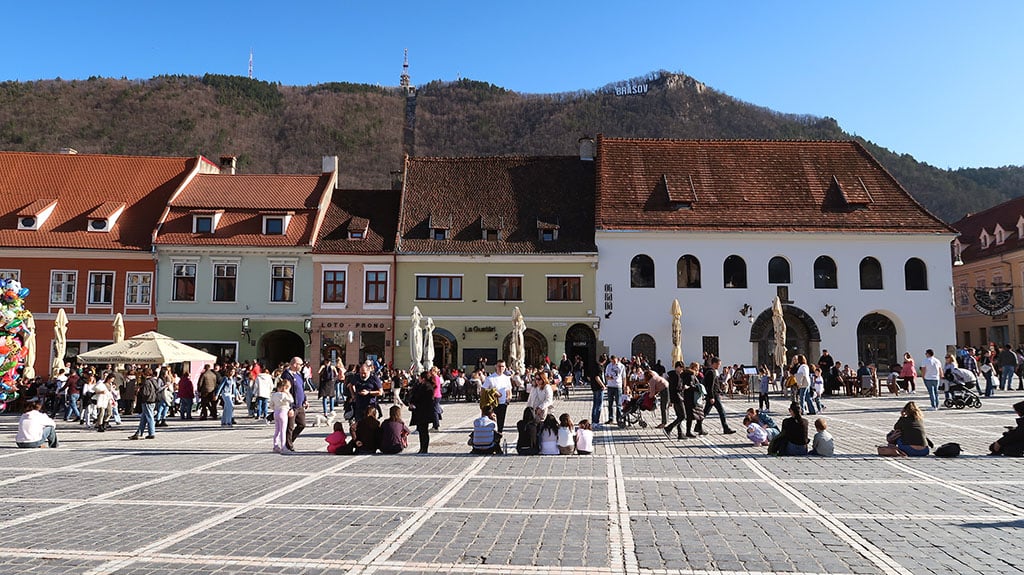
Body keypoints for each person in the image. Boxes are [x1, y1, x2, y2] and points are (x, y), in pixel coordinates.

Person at [702, 357, 736, 434]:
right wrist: (711, 396)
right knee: (722, 412)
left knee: (705, 412)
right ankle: (726, 428)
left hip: (714, 394)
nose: (719, 366)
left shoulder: (712, 371)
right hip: (713, 395)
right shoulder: (711, 372)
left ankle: (698, 426)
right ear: (713, 363)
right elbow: (710, 386)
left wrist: (720, 391)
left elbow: (715, 384)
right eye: (718, 364)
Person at [282, 357, 309, 452]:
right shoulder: (287, 375)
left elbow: (301, 388)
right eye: (300, 364)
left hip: (300, 405)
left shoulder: (299, 374)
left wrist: (305, 399)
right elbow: (286, 391)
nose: (302, 366)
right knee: (290, 427)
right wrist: (290, 407)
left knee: (302, 424)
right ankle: (288, 445)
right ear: (294, 364)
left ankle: (289, 441)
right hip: (292, 405)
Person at [482, 360, 513, 433]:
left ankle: (499, 438)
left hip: (503, 403)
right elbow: (483, 390)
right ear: (496, 366)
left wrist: (508, 399)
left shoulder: (506, 378)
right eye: (499, 366)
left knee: (501, 423)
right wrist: (493, 392)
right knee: (492, 423)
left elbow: (509, 391)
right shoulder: (490, 378)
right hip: (492, 404)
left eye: (502, 366)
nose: (501, 368)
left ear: (505, 367)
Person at [409, 371, 435, 454]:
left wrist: (415, 403)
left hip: (424, 412)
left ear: (423, 378)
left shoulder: (427, 387)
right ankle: (422, 448)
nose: (418, 379)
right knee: (421, 431)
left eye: (420, 377)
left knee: (424, 431)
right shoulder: (421, 385)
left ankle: (424, 448)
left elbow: (423, 399)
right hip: (420, 411)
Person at [129, 368, 159, 440]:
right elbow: (157, 389)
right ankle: (139, 433)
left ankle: (151, 433)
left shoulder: (146, 382)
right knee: (144, 418)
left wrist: (139, 391)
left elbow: (146, 393)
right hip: (153, 400)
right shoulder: (154, 381)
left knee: (149, 417)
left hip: (147, 401)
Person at [269, 379, 294, 454]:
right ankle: (283, 447)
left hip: (276, 412)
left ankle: (275, 446)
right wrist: (288, 392)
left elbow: (271, 405)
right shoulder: (284, 395)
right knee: (283, 431)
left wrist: (275, 408)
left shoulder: (274, 395)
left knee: (277, 430)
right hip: (283, 411)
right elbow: (291, 400)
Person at [664, 361, 687, 440]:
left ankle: (680, 433)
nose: (682, 370)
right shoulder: (676, 376)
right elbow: (675, 388)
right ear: (678, 367)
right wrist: (684, 388)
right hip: (678, 398)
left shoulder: (673, 375)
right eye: (681, 368)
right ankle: (669, 428)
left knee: (679, 416)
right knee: (683, 416)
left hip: (675, 397)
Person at [604, 355, 624, 425]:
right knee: (610, 403)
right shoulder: (608, 366)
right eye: (612, 361)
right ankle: (610, 418)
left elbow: (624, 377)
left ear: (617, 359)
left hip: (618, 386)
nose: (613, 363)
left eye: (614, 361)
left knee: (618, 404)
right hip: (610, 386)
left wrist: (625, 386)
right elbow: (606, 375)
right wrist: (608, 378)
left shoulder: (621, 366)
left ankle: (619, 419)